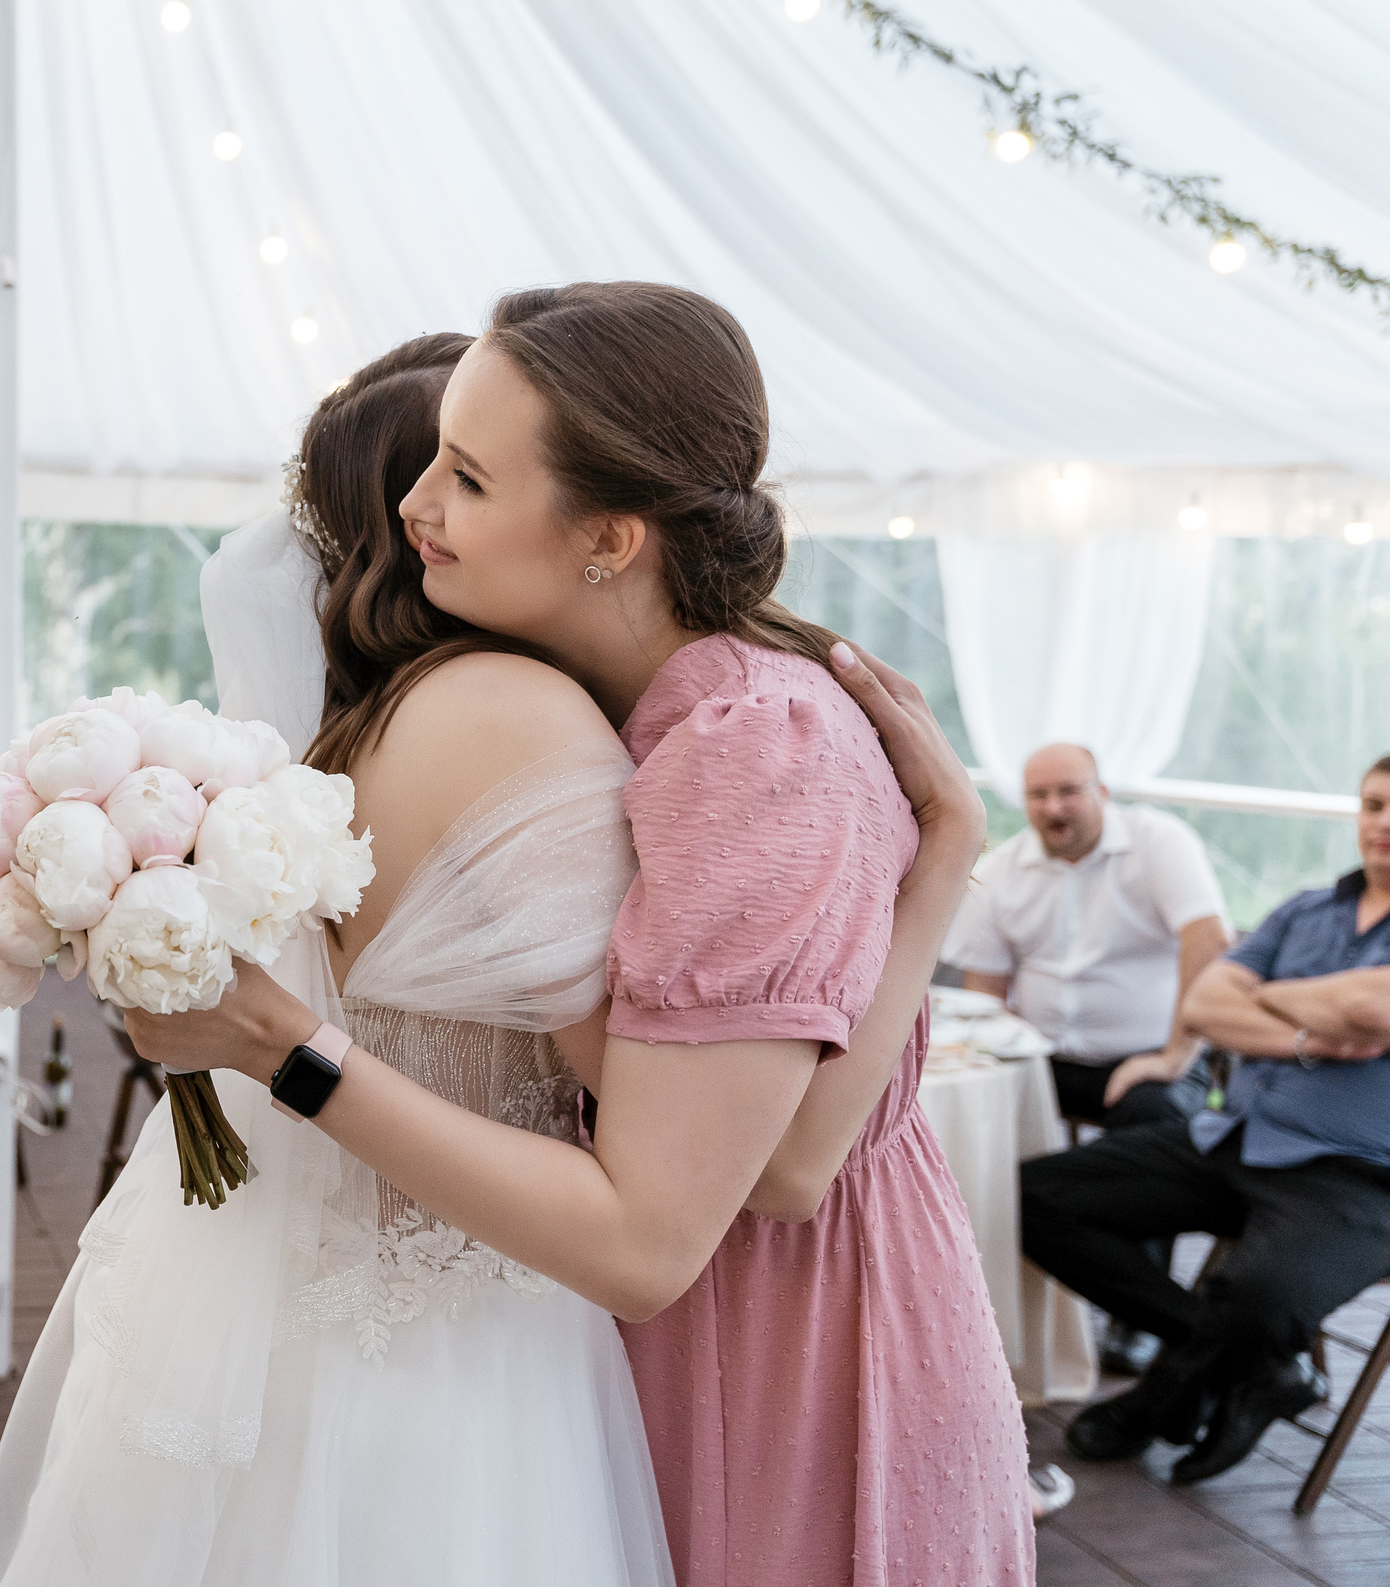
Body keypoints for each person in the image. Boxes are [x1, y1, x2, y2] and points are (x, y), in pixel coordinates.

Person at [122, 286, 1032, 1586]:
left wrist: (946, 868)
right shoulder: (624, 720)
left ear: (609, 538)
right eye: (430, 457)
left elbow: (774, 1174)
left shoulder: (753, 748)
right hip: (667, 1322)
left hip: (792, 1352)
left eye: (469, 476)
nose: (418, 508)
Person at [0, 336, 673, 1586]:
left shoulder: (318, 752)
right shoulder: (515, 716)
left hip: (255, 1324)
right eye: (459, 470)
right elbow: (650, 1114)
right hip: (454, 1366)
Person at [1024, 754, 1390, 1486]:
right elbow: (1202, 1005)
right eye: (1374, 804)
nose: (1383, 824)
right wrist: (1313, 1024)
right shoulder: (1306, 907)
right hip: (1235, 1137)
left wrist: (1268, 992)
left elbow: (1375, 1012)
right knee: (1034, 1198)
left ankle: (1160, 1399)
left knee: (1261, 1296)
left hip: (1358, 1175)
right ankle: (1252, 1366)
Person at [945, 742, 1230, 1127]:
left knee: (1155, 1137)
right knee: (963, 1113)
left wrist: (1175, 1056)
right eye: (1038, 795)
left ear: (1103, 793)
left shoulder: (1159, 841)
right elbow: (986, 992)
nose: (1053, 808)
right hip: (1041, 1061)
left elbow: (1209, 941)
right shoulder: (998, 872)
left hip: (1153, 1059)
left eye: (1068, 791)